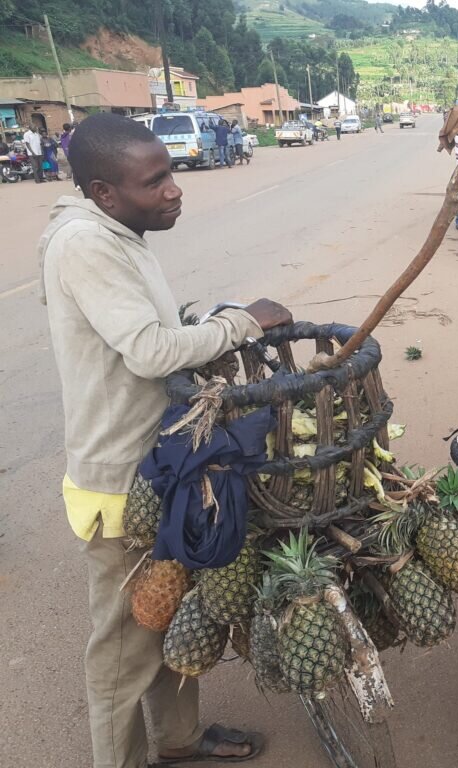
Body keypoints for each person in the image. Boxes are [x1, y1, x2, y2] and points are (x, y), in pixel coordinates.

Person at [39, 112, 289, 768]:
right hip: (122, 482)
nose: (174, 190)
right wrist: (240, 324)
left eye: (171, 173)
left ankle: (177, 739)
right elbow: (149, 350)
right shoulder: (84, 244)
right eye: (155, 182)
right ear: (105, 192)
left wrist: (201, 331)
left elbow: (148, 332)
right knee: (124, 650)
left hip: (162, 466)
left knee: (172, 612)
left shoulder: (118, 232)